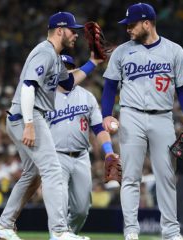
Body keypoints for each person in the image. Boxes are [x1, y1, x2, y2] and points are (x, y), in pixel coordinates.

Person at [0, 12, 103, 240]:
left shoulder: (54, 56)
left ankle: (4, 224)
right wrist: (30, 124)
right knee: (52, 170)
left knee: (33, 174)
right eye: (73, 30)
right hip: (28, 115)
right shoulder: (44, 52)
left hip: (22, 116)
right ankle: (60, 231)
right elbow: (28, 86)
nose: (76, 35)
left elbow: (69, 82)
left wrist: (93, 63)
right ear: (60, 30)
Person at [101, 3, 183, 240]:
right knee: (130, 176)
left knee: (165, 176)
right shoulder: (122, 52)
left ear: (147, 23)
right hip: (131, 115)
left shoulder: (174, 50)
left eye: (132, 24)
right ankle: (131, 231)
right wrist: (106, 114)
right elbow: (110, 86)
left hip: (163, 117)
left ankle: (171, 232)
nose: (128, 29)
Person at [44, 54, 119, 234]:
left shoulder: (87, 97)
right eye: (61, 67)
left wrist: (109, 152)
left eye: (69, 67)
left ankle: (68, 234)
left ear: (75, 69)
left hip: (81, 157)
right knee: (58, 206)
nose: (65, 70)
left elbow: (99, 129)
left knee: (81, 209)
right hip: (56, 157)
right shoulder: (46, 96)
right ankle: (59, 235)